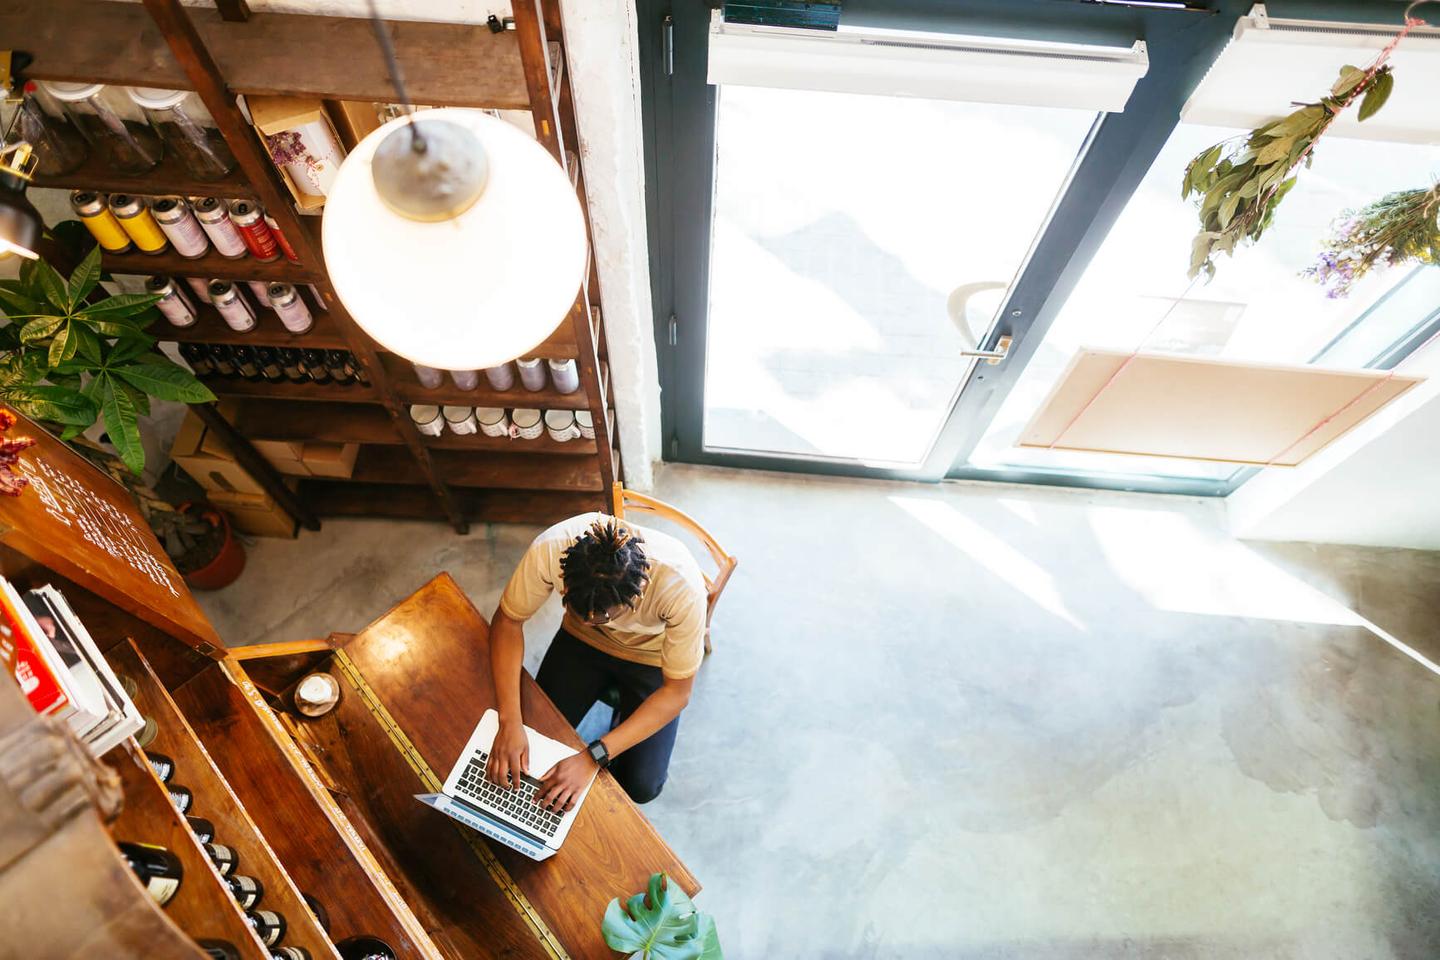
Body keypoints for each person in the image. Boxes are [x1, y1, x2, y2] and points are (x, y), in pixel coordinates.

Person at [486, 512, 706, 810]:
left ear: (637, 592)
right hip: (580, 643)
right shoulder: (552, 547)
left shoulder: (681, 587)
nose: (591, 620)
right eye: (577, 609)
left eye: (602, 616)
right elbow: (508, 622)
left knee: (641, 787)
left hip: (653, 656)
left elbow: (678, 692)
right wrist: (509, 721)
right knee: (534, 746)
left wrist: (594, 756)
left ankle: (621, 723)